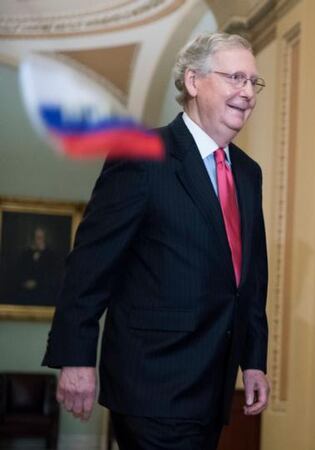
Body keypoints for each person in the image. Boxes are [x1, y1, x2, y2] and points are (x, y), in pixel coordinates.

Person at [42, 32, 270, 449]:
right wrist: (75, 356)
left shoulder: (248, 173)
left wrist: (253, 361)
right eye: (235, 77)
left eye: (253, 82)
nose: (247, 92)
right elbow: (91, 264)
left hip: (213, 387)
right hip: (152, 382)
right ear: (194, 80)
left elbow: (250, 278)